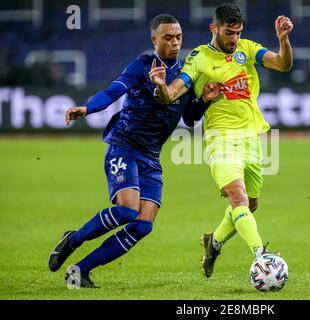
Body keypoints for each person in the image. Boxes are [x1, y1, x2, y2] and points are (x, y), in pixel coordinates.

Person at [48, 14, 223, 288]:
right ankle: (73, 239)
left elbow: (189, 117)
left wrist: (204, 101)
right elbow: (112, 91)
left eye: (178, 37)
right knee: (128, 211)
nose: (175, 42)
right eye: (168, 37)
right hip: (125, 146)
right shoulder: (142, 66)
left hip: (151, 156)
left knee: (143, 225)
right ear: (154, 40)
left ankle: (80, 270)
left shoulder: (187, 75)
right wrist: (87, 108)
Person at [149, 3, 293, 278]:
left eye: (238, 33)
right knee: (237, 197)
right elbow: (174, 92)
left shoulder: (248, 49)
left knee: (250, 206)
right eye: (229, 32)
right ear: (214, 28)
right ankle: (262, 257)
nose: (234, 39)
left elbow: (283, 64)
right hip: (220, 139)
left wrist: (283, 40)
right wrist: (161, 87)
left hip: (252, 138)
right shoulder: (199, 57)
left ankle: (213, 243)